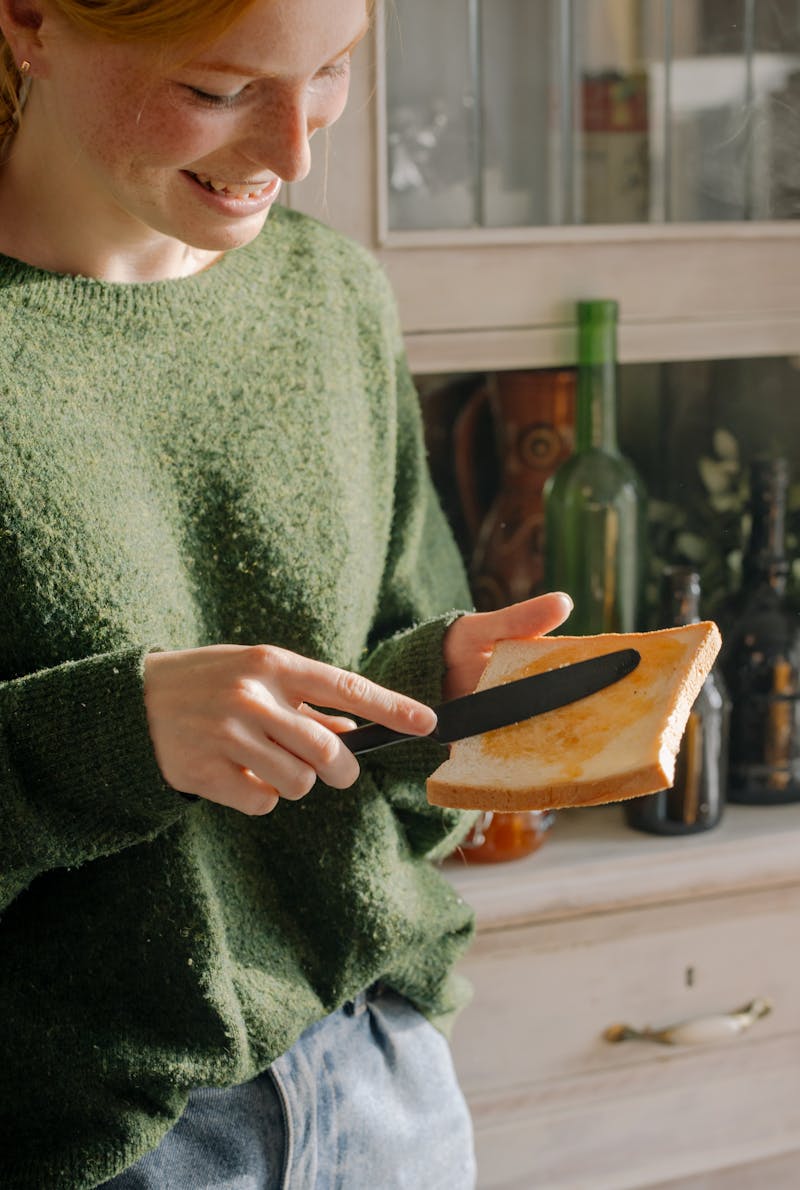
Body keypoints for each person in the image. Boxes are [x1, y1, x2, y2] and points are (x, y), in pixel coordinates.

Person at [0, 0, 573, 1185]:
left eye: (333, 71)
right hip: (94, 1142)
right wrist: (117, 733)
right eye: (217, 91)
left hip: (382, 1080)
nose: (293, 152)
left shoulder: (329, 295)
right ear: (29, 21)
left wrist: (438, 700)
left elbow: (393, 776)